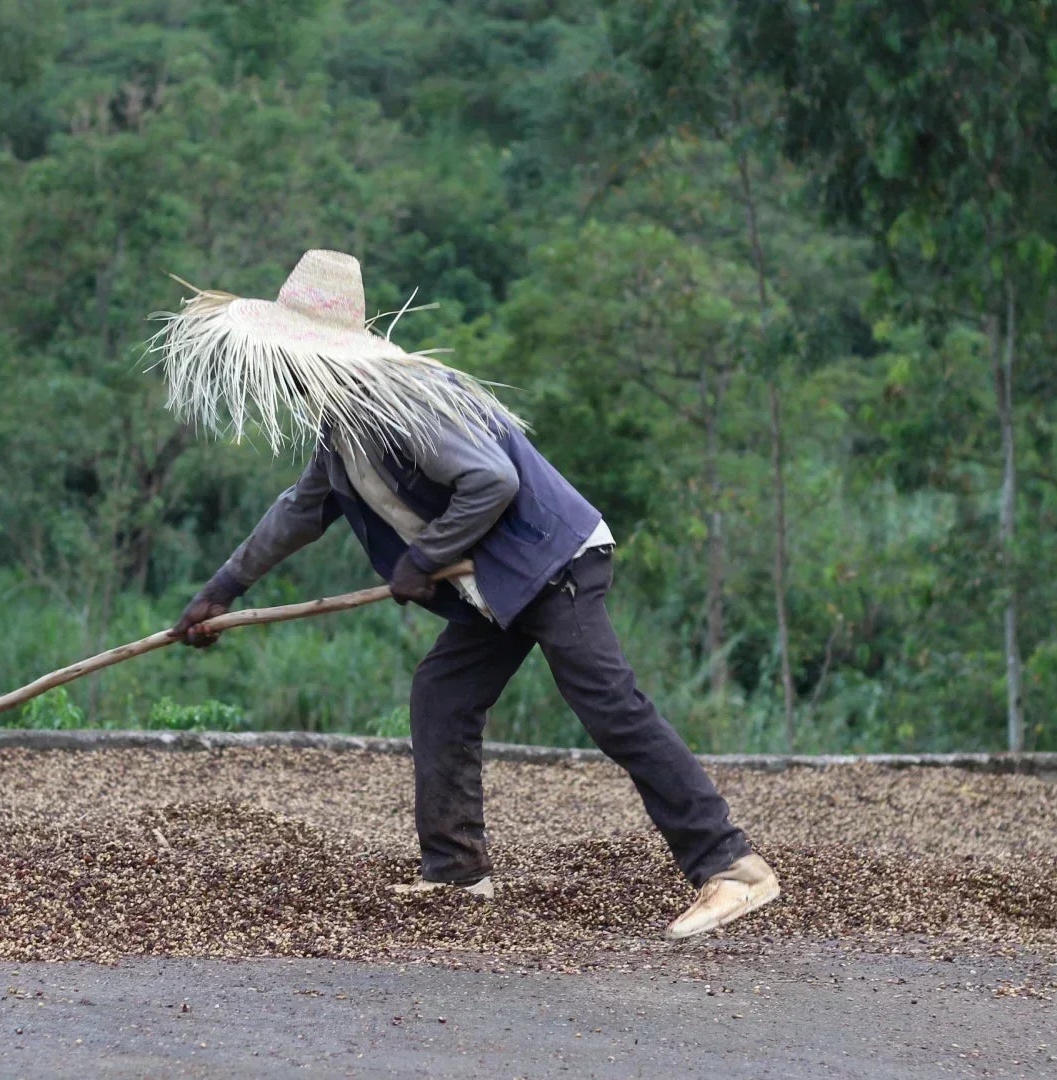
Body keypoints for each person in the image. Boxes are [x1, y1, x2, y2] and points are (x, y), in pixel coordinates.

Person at [148, 249, 779, 939]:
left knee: (612, 710)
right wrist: (222, 591)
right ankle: (455, 868)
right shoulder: (343, 425)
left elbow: (490, 480)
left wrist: (424, 557)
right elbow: (299, 511)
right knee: (443, 693)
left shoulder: (406, 400)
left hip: (554, 561)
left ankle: (732, 867)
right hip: (499, 582)